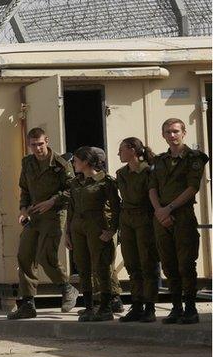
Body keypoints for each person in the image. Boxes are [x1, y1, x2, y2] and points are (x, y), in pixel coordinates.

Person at [8, 127, 79, 320]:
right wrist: (23, 209)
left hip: (54, 214)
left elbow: (72, 191)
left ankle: (67, 288)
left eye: (40, 144)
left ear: (47, 141)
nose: (38, 148)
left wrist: (52, 202)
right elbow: (24, 188)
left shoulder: (60, 164)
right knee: (25, 255)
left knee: (45, 256)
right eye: (33, 145)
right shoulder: (28, 163)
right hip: (34, 214)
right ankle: (28, 303)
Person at [149, 118, 210, 324]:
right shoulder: (159, 161)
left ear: (184, 132)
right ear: (163, 135)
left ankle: (190, 308)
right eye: (167, 132)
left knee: (185, 264)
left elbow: (192, 188)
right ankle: (176, 307)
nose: (172, 135)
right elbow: (152, 188)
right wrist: (159, 211)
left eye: (175, 131)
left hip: (182, 216)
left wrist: (169, 209)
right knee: (169, 264)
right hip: (161, 218)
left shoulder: (194, 158)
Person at [65, 146, 121, 322]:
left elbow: (116, 207)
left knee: (101, 266)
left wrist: (112, 230)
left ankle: (105, 307)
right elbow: (71, 209)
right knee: (83, 266)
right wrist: (67, 233)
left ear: (86, 162)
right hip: (78, 228)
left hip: (97, 226)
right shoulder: (75, 183)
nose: (73, 164)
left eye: (76, 160)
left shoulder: (105, 182)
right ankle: (89, 306)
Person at [115, 136, 159, 322]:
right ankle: (137, 304)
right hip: (127, 220)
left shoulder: (148, 171)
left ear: (133, 150)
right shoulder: (121, 173)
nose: (119, 153)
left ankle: (150, 306)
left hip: (145, 218)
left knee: (148, 262)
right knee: (132, 263)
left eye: (122, 149)